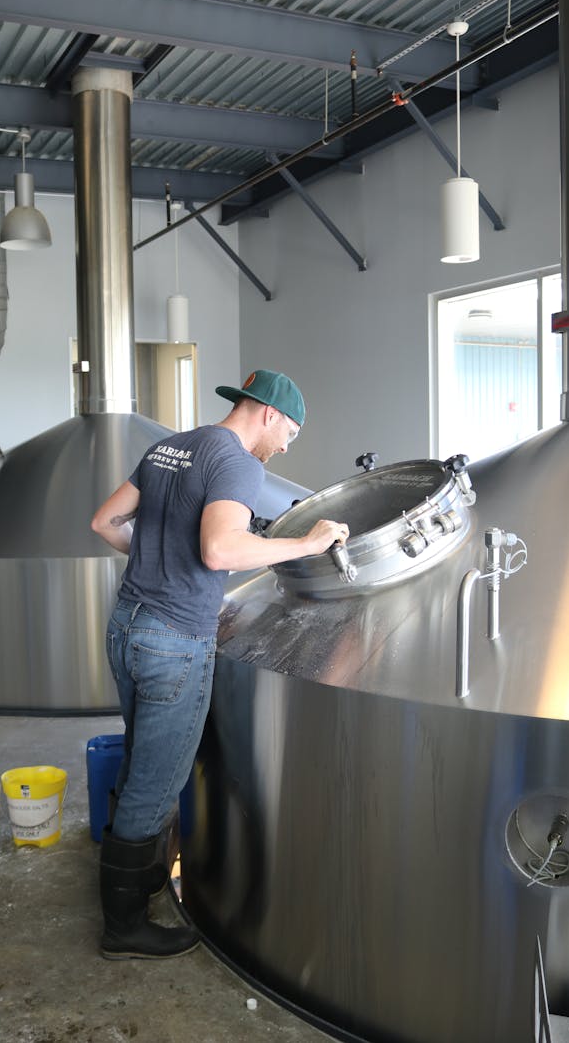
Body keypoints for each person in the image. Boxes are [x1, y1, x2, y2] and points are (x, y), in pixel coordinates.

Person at [91, 369, 349, 960]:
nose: (286, 446)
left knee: (139, 761)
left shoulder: (170, 446)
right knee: (154, 788)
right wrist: (307, 544)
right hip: (173, 640)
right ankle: (123, 926)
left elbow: (104, 522)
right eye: (291, 431)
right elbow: (221, 550)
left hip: (127, 625)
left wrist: (162, 556)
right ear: (267, 414)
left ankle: (138, 877)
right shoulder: (237, 462)